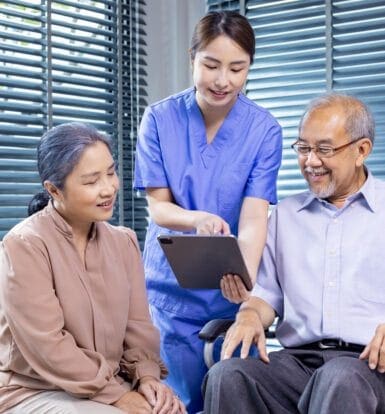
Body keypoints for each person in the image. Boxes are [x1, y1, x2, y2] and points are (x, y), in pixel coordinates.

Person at [134, 10, 282, 413]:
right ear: (192, 59)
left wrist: (245, 278)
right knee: (174, 403)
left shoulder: (264, 130)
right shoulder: (159, 119)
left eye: (237, 68)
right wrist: (195, 219)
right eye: (211, 65)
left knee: (232, 399)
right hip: (169, 291)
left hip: (229, 294)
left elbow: (254, 217)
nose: (223, 81)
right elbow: (159, 208)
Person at [202, 93, 385, 413]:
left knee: (339, 378)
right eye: (303, 148)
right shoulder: (285, 215)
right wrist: (247, 315)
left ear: (361, 150)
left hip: (368, 367)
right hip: (298, 364)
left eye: (324, 149)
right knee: (228, 374)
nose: (311, 161)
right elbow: (265, 296)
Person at [0, 123, 185, 414]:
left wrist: (146, 378)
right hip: (34, 390)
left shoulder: (123, 242)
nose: (108, 188)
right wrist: (117, 396)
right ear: (53, 189)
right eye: (91, 181)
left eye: (110, 173)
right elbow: (49, 348)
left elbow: (138, 328)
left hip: (107, 385)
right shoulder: (24, 246)